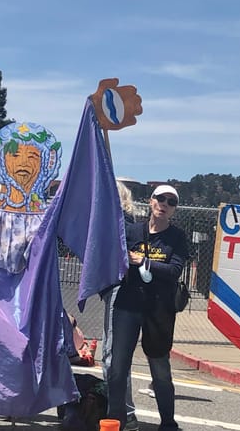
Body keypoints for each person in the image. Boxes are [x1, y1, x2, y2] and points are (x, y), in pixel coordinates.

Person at [107, 185, 188, 431]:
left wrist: (145, 262)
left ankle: (168, 423)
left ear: (174, 209)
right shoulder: (132, 231)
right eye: (160, 199)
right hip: (128, 305)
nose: (164, 204)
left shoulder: (177, 237)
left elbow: (174, 271)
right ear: (151, 201)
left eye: (170, 202)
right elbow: (111, 253)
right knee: (118, 367)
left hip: (159, 310)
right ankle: (116, 420)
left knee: (159, 367)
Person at [101, 180, 139, 430]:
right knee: (112, 354)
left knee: (113, 356)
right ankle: (120, 410)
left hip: (120, 290)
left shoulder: (122, 225)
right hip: (113, 289)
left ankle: (122, 413)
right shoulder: (115, 223)